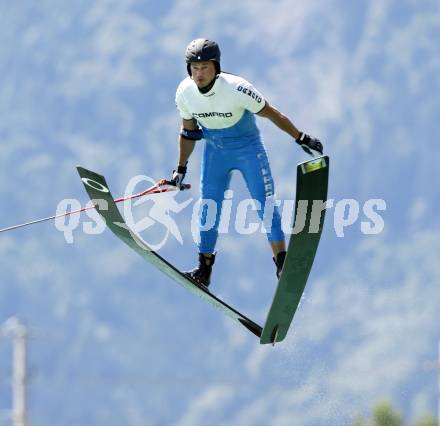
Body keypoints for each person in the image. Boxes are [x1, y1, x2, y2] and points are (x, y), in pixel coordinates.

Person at [172, 38, 323, 288]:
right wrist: (180, 169)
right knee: (209, 208)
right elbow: (188, 133)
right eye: (194, 68)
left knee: (264, 203)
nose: (199, 74)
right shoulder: (184, 93)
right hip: (215, 152)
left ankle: (281, 262)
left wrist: (300, 137)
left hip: (248, 149)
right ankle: (204, 269)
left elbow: (272, 113)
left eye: (205, 68)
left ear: (216, 67)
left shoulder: (237, 88)